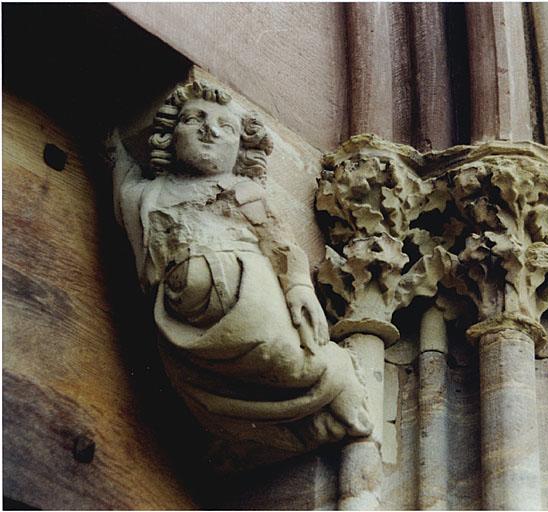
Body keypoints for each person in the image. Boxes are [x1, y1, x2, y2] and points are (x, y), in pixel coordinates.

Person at [107, 81, 371, 459]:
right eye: (193, 120)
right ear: (168, 135)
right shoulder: (147, 195)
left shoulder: (240, 190)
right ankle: (257, 437)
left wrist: (298, 288)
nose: (209, 130)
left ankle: (340, 382)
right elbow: (124, 181)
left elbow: (280, 243)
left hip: (248, 292)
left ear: (241, 149)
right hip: (180, 314)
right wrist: (113, 147)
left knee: (289, 360)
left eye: (225, 127)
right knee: (207, 393)